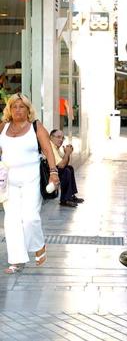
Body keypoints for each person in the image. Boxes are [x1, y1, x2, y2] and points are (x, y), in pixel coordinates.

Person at [0, 93, 59, 274]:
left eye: (22, 107)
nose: (18, 110)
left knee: (30, 218)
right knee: (11, 221)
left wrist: (53, 173)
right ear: (9, 109)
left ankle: (38, 245)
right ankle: (17, 260)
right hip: (9, 180)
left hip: (31, 178)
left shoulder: (36, 127)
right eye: (14, 107)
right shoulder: (3, 127)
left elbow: (48, 150)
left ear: (28, 110)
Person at [50, 129, 84, 207]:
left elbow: (64, 163)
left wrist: (67, 154)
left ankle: (71, 196)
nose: (61, 140)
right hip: (48, 172)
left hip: (53, 169)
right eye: (58, 137)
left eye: (62, 138)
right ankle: (65, 199)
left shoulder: (56, 147)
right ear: (51, 137)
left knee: (69, 168)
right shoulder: (51, 146)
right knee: (66, 171)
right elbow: (61, 165)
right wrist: (67, 153)